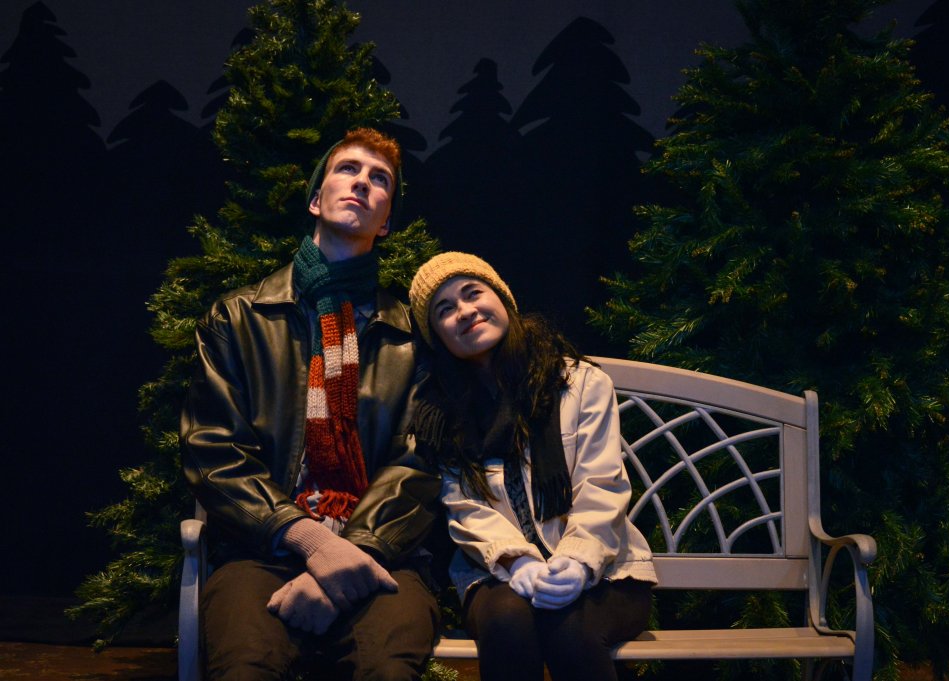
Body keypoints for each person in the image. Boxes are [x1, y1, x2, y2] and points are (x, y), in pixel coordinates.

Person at [181, 128, 440, 681]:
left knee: (390, 670)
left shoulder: (410, 336)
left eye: (380, 181)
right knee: (245, 667)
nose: (363, 184)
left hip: (378, 553)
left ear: (386, 220)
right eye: (348, 170)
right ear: (316, 200)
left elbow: (417, 463)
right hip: (262, 549)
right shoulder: (238, 318)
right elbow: (213, 450)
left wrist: (350, 556)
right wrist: (311, 540)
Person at [407, 252, 658, 681]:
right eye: (444, 309)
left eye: (473, 294)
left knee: (571, 630)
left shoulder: (578, 383)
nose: (465, 311)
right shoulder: (440, 411)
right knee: (507, 622)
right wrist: (516, 561)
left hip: (607, 568)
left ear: (502, 298)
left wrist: (578, 562)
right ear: (437, 336)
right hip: (493, 569)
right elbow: (462, 505)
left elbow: (602, 483)